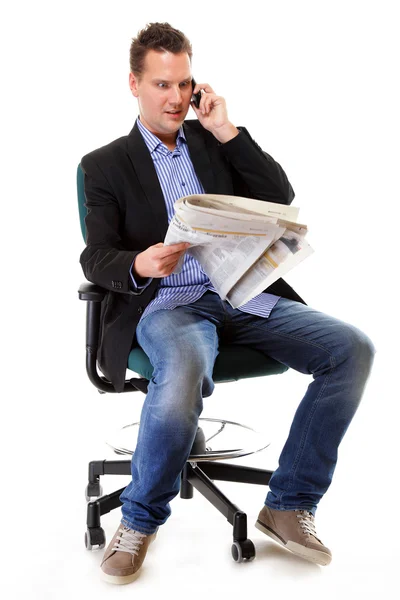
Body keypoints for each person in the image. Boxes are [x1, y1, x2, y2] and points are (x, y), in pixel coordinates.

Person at [79, 22, 375, 584]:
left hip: (240, 295)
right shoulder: (105, 164)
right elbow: (95, 257)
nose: (175, 98)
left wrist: (225, 129)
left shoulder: (212, 140)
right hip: (168, 306)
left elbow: (279, 196)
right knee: (187, 364)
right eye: (162, 84)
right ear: (135, 84)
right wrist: (139, 263)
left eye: (184, 84)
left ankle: (288, 504)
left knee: (351, 349)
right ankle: (140, 519)